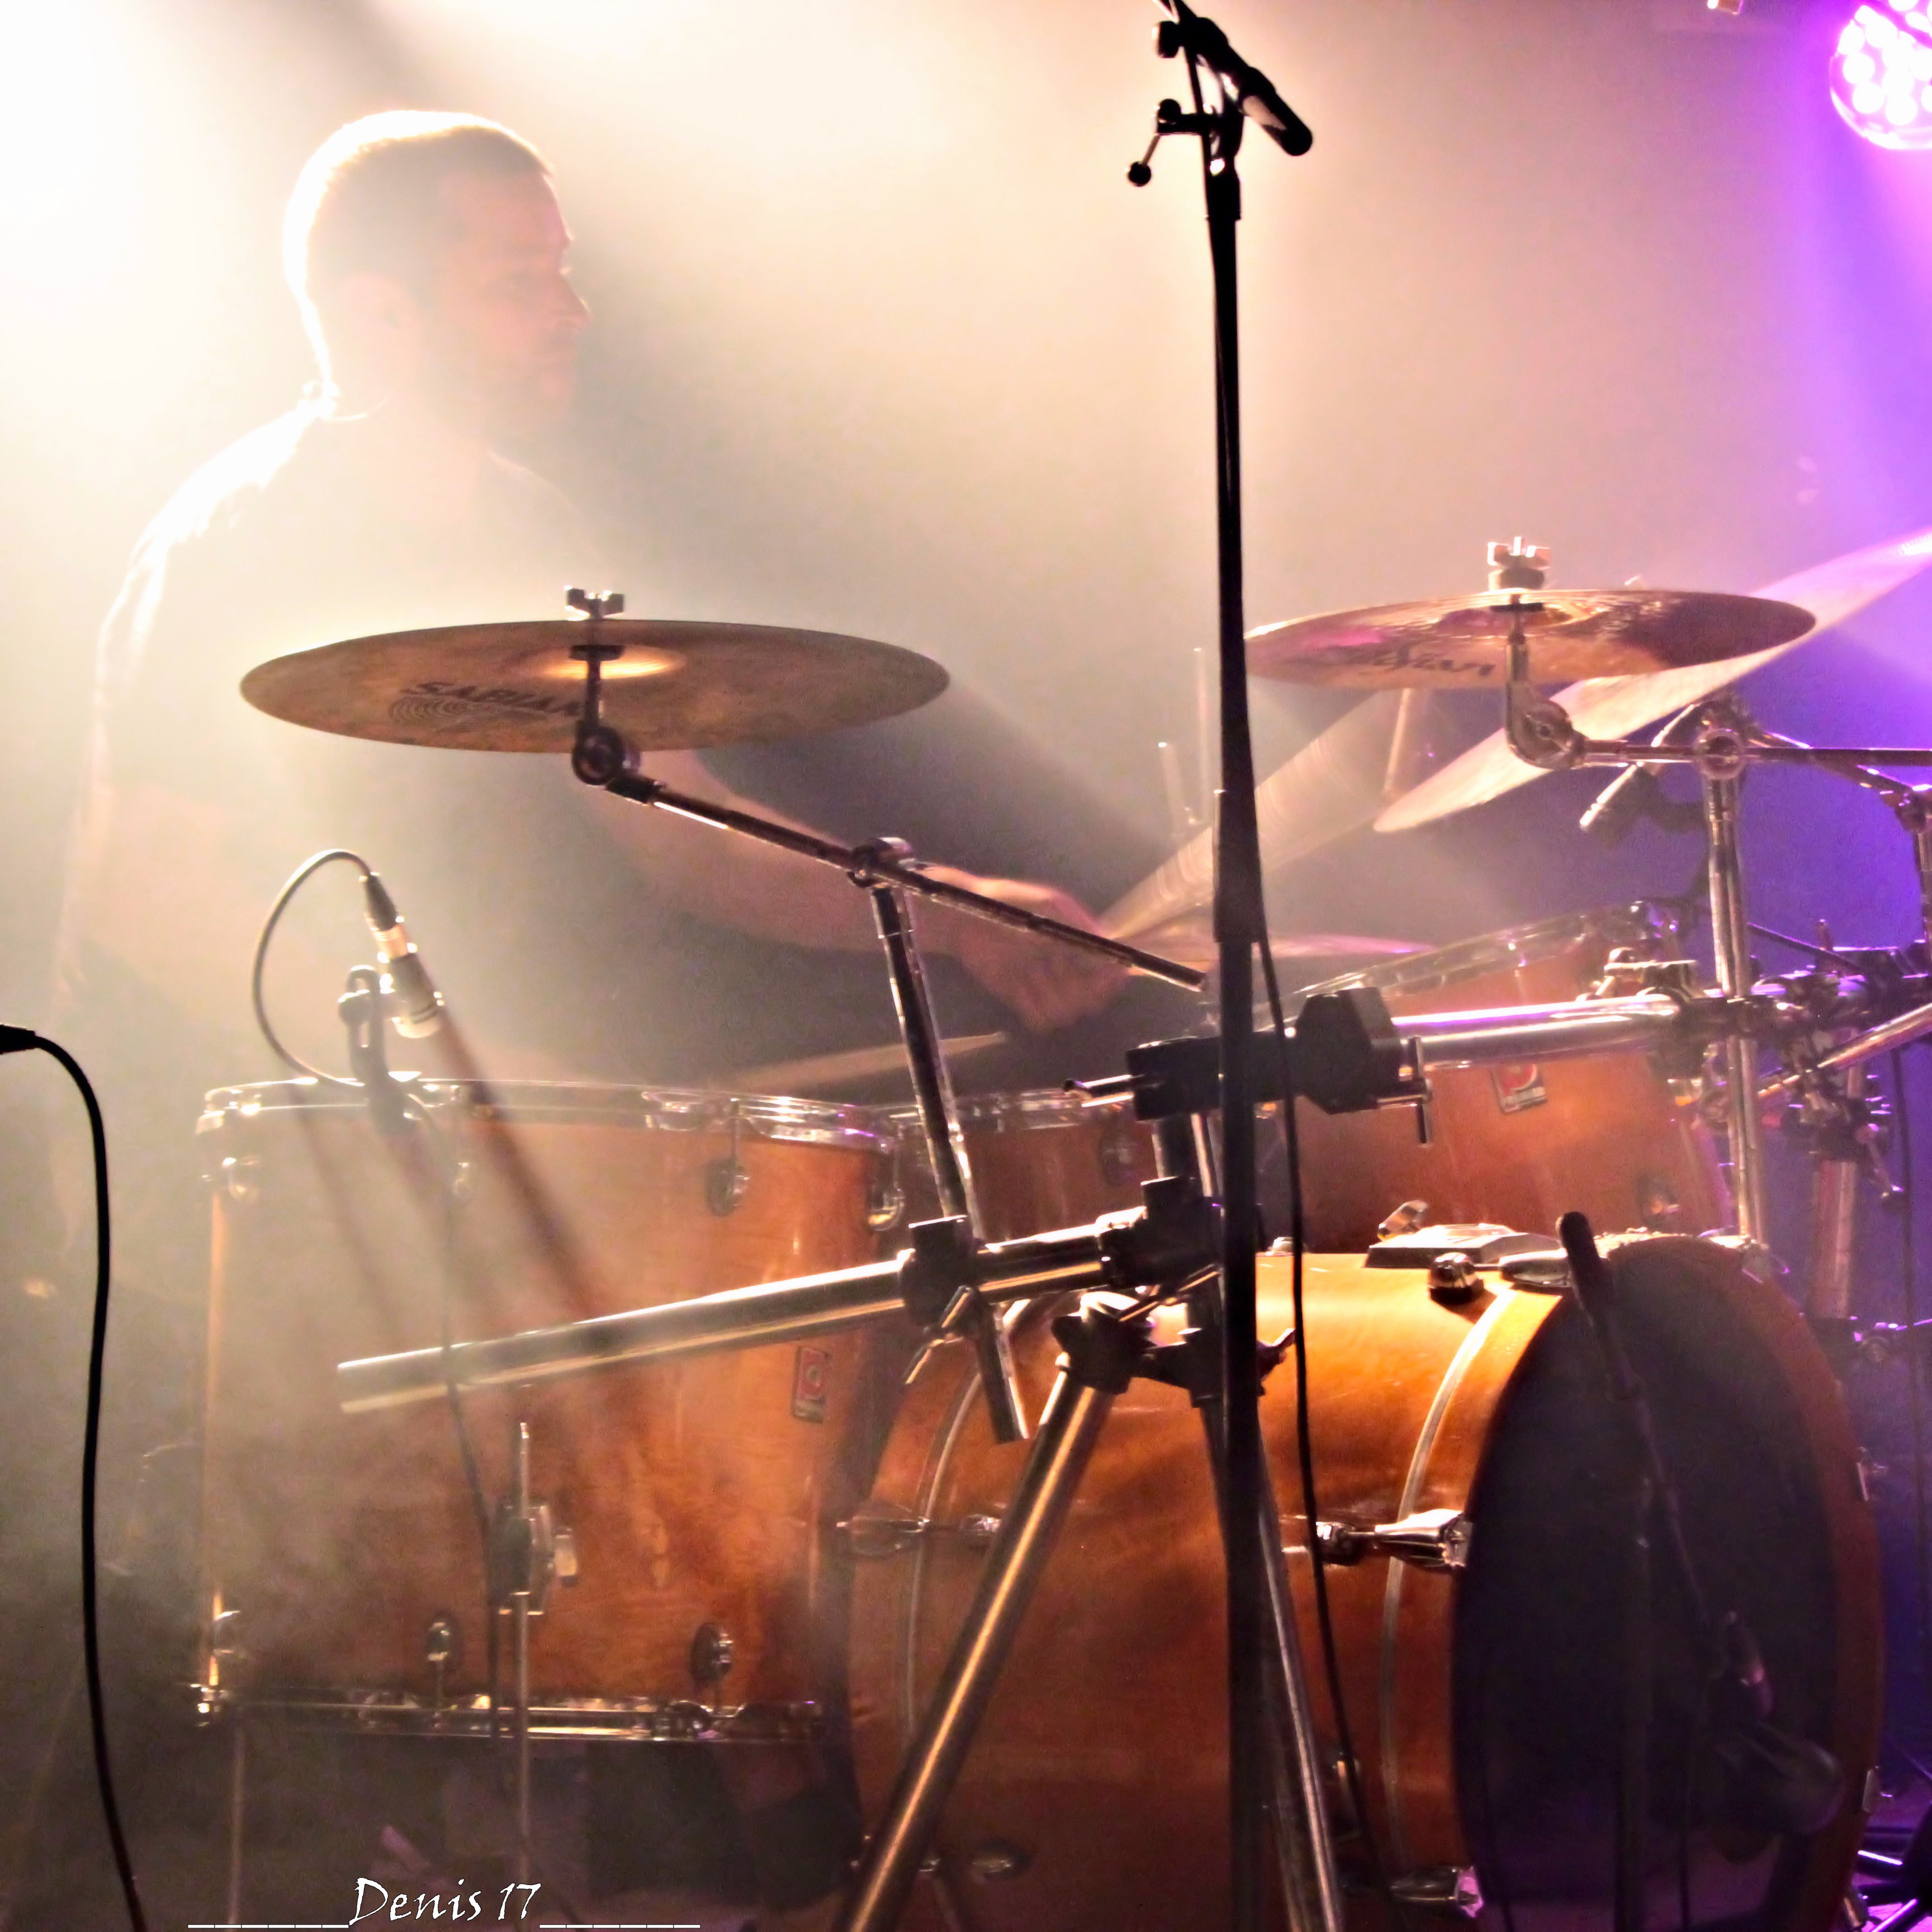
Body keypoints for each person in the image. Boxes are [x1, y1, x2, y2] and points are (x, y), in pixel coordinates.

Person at [22, 110, 1135, 1924]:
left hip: (457, 1167)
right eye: (519, 276)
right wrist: (455, 1094)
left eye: (563, 268)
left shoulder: (527, 531)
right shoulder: (253, 526)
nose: (570, 310)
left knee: (619, 1577)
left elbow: (678, 842)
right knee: (293, 1699)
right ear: (380, 315)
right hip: (245, 1202)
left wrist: (937, 918)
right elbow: (149, 886)